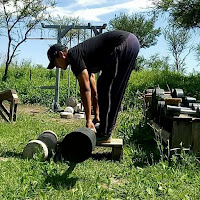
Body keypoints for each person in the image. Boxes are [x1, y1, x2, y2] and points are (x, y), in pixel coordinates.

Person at [47, 30, 140, 142]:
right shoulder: (83, 56)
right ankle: (104, 129)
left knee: (108, 88)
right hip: (130, 43)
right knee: (104, 85)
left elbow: (85, 89)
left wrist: (88, 120)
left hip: (123, 43)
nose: (56, 66)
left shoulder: (73, 55)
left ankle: (105, 133)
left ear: (61, 54)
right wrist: (96, 116)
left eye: (55, 62)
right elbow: (94, 90)